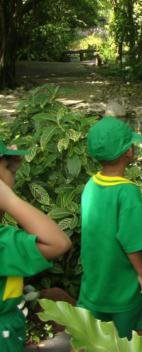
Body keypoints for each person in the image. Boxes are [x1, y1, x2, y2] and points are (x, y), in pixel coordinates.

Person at [78, 117, 142, 341]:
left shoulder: (91, 185)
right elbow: (132, 242)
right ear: (128, 152)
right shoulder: (127, 192)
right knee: (133, 339)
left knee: (89, 340)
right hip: (125, 291)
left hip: (94, 285)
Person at [0, 140, 71, 351]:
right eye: (7, 168)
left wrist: (9, 170)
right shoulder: (3, 243)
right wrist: (10, 200)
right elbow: (58, 243)